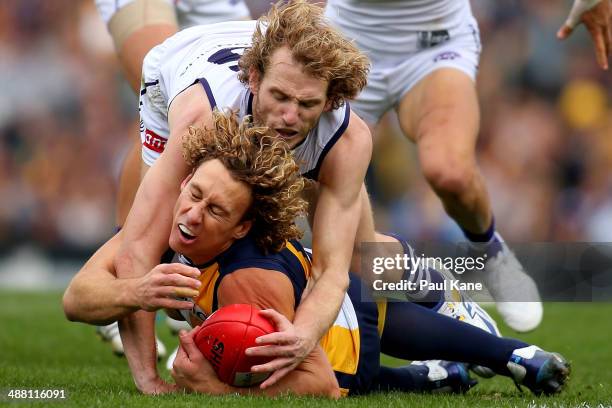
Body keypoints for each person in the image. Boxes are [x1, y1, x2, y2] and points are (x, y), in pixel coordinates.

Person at [63, 111, 570, 397]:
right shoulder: (166, 225)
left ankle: (460, 320)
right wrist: (135, 290)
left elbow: (320, 387)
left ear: (242, 227)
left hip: (340, 346)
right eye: (193, 193)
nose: (191, 215)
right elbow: (77, 299)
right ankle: (496, 357)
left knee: (356, 334)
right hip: (340, 294)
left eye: (214, 211)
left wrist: (209, 389)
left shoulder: (247, 282)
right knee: (370, 291)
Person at [113, 0, 375, 394]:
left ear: (330, 101)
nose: (289, 116)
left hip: (417, 50)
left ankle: (471, 290)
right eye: (281, 97)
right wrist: (148, 378)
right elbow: (136, 251)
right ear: (254, 79)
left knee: (370, 255)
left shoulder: (348, 136)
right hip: (185, 65)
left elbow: (330, 272)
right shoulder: (200, 119)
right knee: (157, 239)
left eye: (306, 105)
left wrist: (301, 337)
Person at [324, 0, 612, 333]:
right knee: (339, 216)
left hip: (434, 44)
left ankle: (491, 251)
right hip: (346, 44)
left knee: (449, 172)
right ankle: (446, 302)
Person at [93, 0, 251, 355]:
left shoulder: (344, 133)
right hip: (361, 29)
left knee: (359, 241)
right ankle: (135, 277)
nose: (291, 113)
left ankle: (402, 302)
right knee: (172, 117)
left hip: (398, 47)